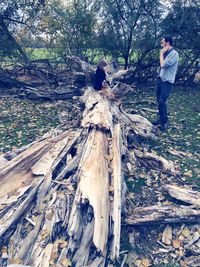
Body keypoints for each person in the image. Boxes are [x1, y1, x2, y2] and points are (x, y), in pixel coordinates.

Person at [153, 36, 179, 131]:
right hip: (161, 80)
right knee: (158, 100)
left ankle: (164, 122)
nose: (161, 44)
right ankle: (161, 118)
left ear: (167, 43)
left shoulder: (174, 54)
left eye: (163, 42)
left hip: (167, 82)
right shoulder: (166, 52)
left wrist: (161, 53)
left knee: (162, 101)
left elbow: (163, 65)